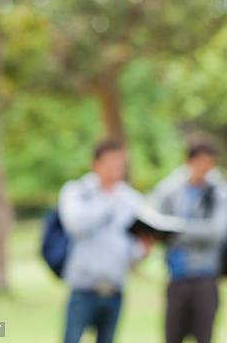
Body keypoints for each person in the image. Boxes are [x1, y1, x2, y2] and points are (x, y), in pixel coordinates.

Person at [59, 140, 154, 343]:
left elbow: (131, 247)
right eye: (110, 164)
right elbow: (75, 224)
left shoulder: (131, 198)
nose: (116, 170)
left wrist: (143, 250)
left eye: (120, 165)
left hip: (115, 288)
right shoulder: (78, 191)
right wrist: (109, 201)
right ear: (95, 165)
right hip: (84, 287)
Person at [153, 143, 227, 343]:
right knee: (172, 336)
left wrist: (177, 230)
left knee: (204, 337)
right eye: (200, 163)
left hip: (206, 279)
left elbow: (217, 232)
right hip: (177, 277)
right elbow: (156, 220)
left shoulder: (219, 191)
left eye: (209, 164)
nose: (205, 169)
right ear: (189, 162)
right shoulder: (172, 190)